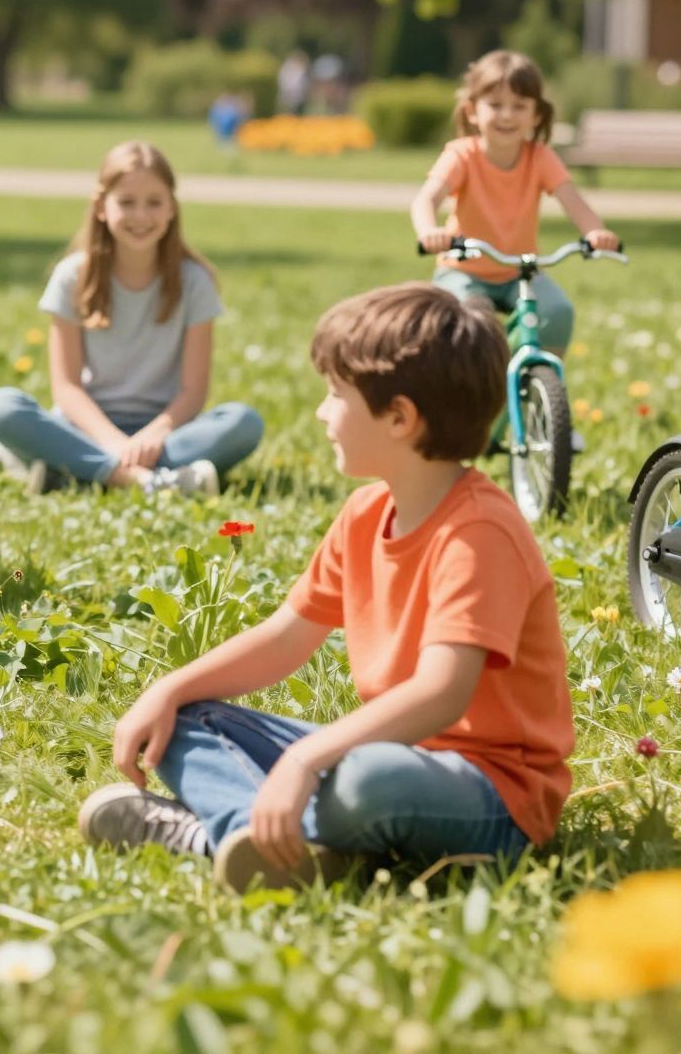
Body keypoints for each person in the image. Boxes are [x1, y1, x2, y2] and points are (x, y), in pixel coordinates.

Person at [78, 283, 572, 891]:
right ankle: (259, 842)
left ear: (399, 417)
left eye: (336, 395)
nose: (320, 412)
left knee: (363, 781)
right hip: (385, 753)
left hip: (493, 794)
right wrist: (169, 689)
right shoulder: (365, 513)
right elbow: (286, 639)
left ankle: (214, 835)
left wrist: (306, 760)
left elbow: (442, 693)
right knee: (183, 718)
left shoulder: (480, 533)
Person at [0, 140, 263, 496]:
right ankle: (144, 480)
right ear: (101, 207)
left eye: (154, 202)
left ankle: (72, 472)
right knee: (1, 408)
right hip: (85, 428)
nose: (141, 216)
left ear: (172, 207)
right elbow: (67, 388)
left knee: (244, 422)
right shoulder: (72, 277)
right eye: (126, 202)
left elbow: (193, 391)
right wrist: (113, 443)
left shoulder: (194, 282)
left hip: (163, 434)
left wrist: (152, 436)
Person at [409, 49, 618, 360]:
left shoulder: (540, 157)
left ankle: (538, 377)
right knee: (473, 322)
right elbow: (426, 199)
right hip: (463, 270)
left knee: (557, 310)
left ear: (536, 115)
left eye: (519, 106)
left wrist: (595, 232)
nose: (507, 115)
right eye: (495, 105)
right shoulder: (462, 155)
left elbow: (574, 202)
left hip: (519, 272)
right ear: (472, 111)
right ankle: (480, 379)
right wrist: (430, 231)